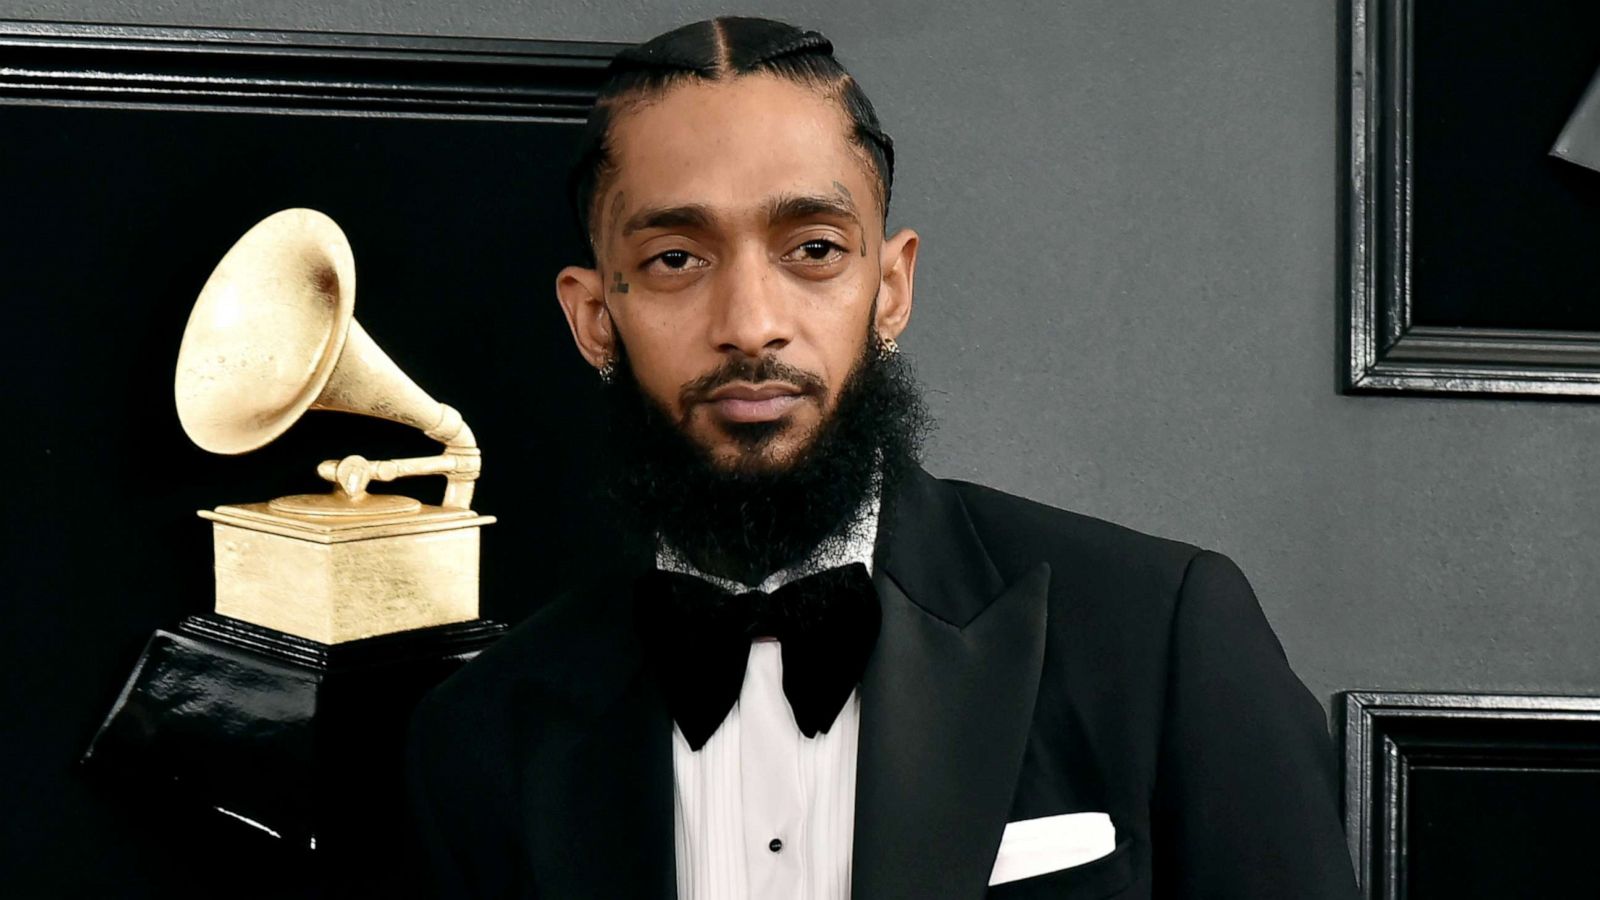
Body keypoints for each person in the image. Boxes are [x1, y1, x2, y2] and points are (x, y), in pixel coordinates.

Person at [405, 16, 1360, 900]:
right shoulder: (479, 737)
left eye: (814, 248)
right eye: (676, 261)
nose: (751, 325)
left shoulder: (1163, 637)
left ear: (891, 288)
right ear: (593, 317)